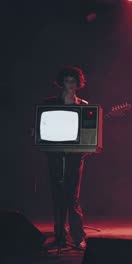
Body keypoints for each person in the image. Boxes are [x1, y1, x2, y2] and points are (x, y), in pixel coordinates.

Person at [42, 66, 89, 249]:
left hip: (74, 158)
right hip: (54, 156)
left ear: (78, 84)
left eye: (73, 81)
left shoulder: (83, 106)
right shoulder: (49, 104)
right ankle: (59, 236)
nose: (70, 85)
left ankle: (78, 237)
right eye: (67, 81)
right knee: (57, 197)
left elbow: (89, 134)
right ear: (61, 83)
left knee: (72, 198)